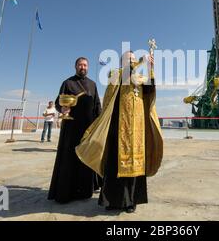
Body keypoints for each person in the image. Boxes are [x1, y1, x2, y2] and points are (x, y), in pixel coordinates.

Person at [76, 51, 163, 213]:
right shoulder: (115, 74)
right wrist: (140, 63)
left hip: (137, 130)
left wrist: (150, 68)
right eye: (127, 59)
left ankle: (131, 201)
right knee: (115, 164)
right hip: (118, 128)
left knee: (135, 166)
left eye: (133, 59)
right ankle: (112, 200)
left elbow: (150, 90)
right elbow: (123, 76)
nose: (130, 61)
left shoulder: (140, 77)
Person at [48, 57, 103, 203]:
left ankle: (85, 190)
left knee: (86, 158)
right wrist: (62, 108)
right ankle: (67, 192)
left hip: (88, 128)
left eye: (85, 65)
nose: (82, 67)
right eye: (80, 65)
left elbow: (97, 105)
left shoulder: (92, 84)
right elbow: (58, 102)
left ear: (88, 67)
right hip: (71, 129)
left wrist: (99, 123)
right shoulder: (67, 83)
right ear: (75, 67)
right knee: (69, 158)